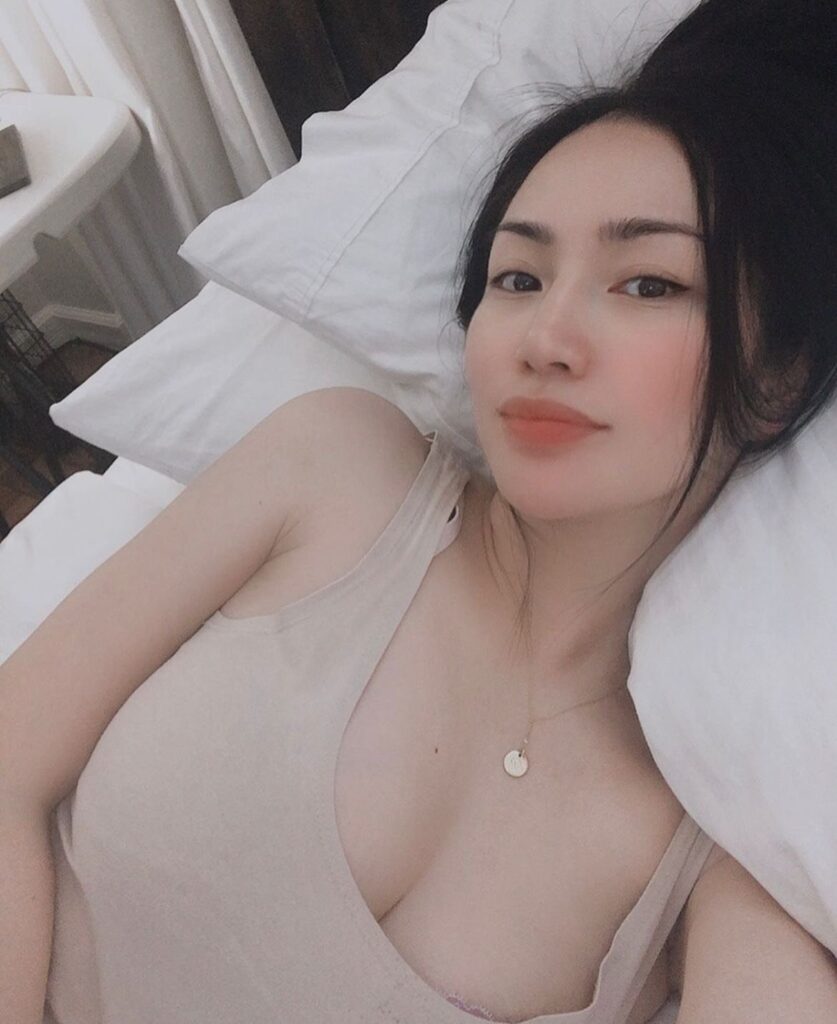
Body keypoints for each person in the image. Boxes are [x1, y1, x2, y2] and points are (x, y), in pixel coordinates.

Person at [2, 0, 836, 1021]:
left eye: (649, 285)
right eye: (517, 276)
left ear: (779, 375)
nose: (546, 337)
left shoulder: (721, 823)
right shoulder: (335, 464)